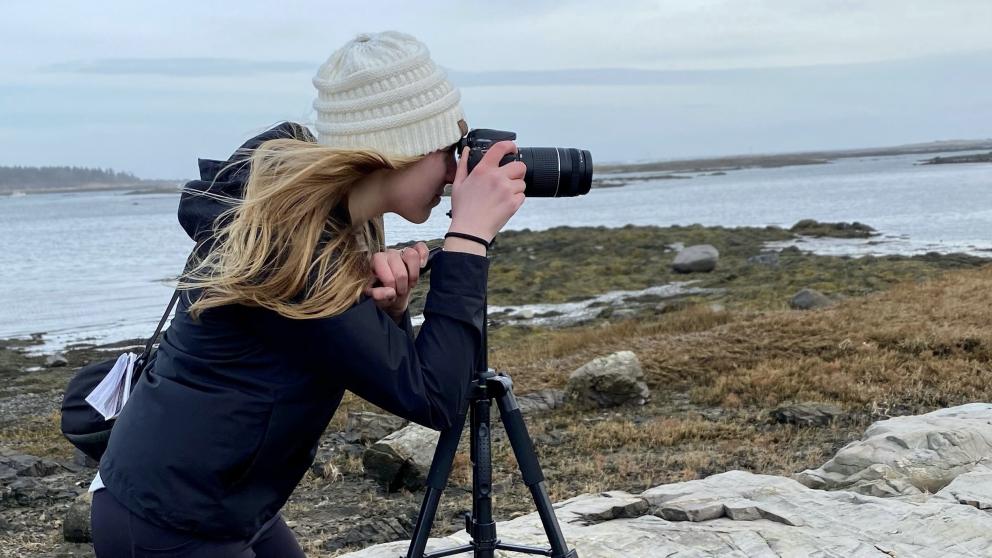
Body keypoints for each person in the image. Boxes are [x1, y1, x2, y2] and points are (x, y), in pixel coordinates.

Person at [89, 31, 526, 557]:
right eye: (448, 153)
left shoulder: (332, 228)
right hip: (169, 522)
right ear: (399, 150)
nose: (457, 175)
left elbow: (404, 378)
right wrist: (469, 238)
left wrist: (389, 312)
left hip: (227, 506)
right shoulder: (293, 252)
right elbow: (434, 397)